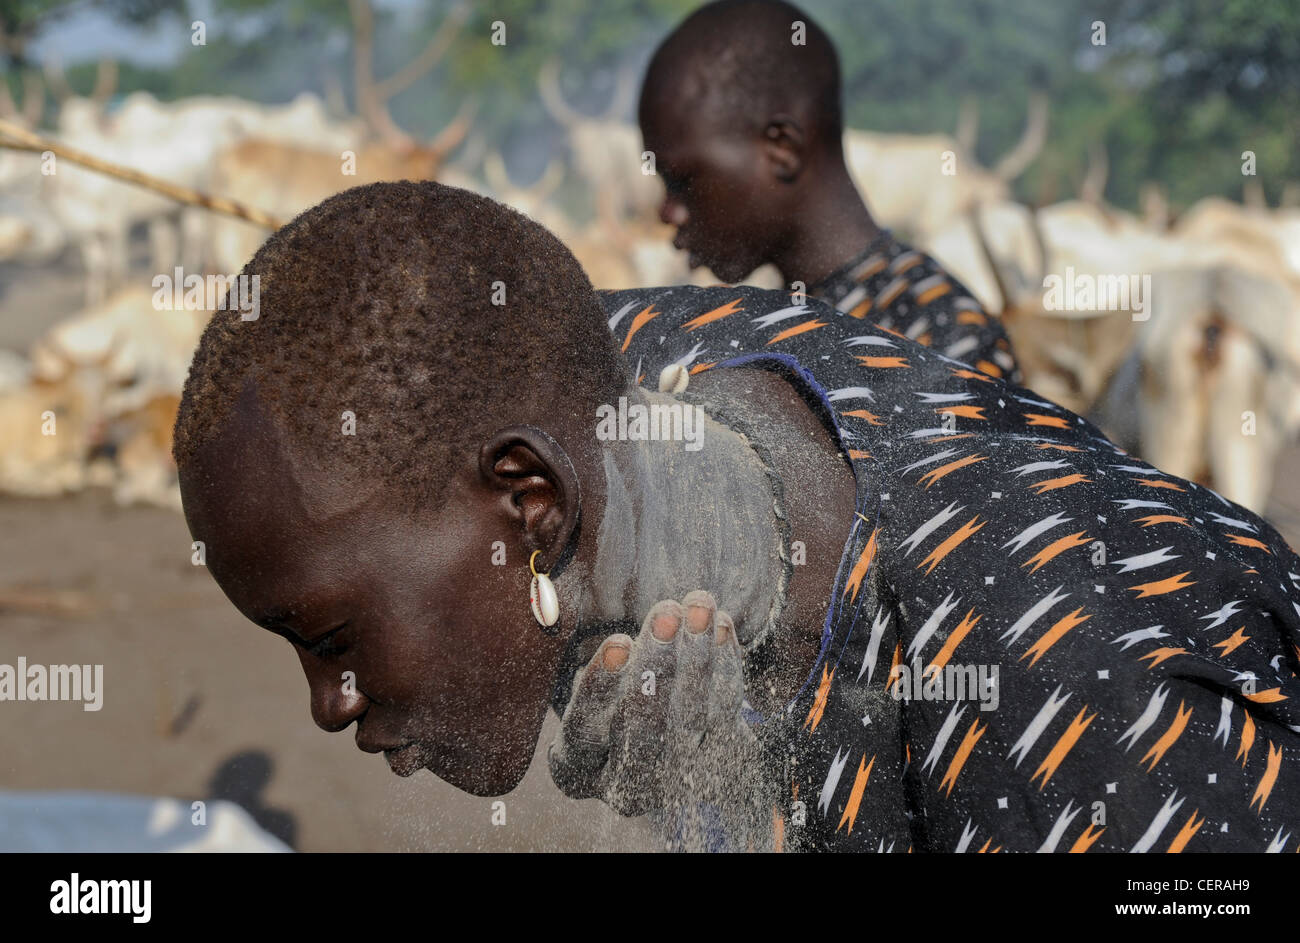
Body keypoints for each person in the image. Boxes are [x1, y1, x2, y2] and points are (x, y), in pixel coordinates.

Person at [176, 181, 1300, 852]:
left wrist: (751, 806)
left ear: (531, 506)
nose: (330, 705)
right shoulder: (615, 380)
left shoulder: (1065, 685)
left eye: (330, 639)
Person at [638, 0, 1022, 383]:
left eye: (681, 178)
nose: (666, 212)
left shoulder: (946, 341)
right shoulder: (768, 321)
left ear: (782, 150)